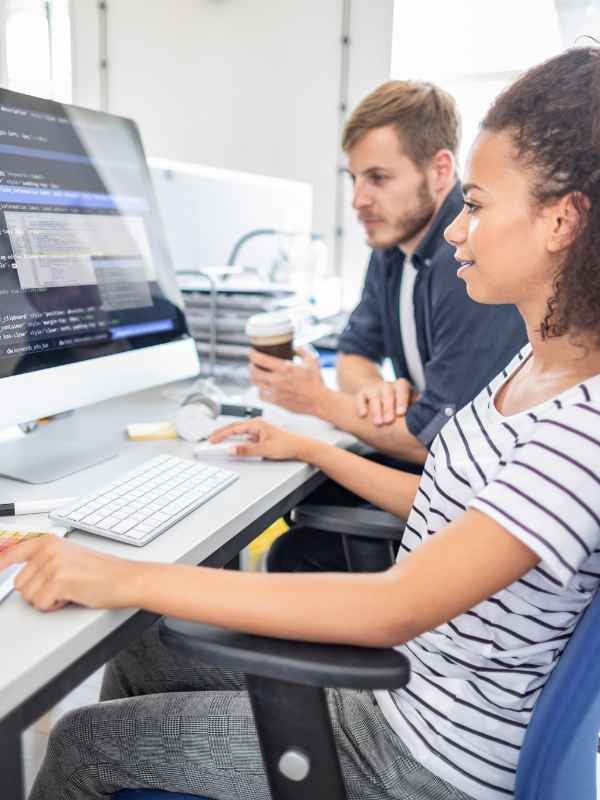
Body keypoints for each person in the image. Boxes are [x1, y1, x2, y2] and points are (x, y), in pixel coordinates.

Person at [5, 45, 600, 800]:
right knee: (146, 652)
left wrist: (123, 573)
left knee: (87, 743)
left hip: (421, 758)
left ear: (560, 221)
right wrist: (303, 446)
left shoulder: (580, 429)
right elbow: (458, 520)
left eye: (477, 207)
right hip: (412, 689)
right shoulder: (538, 366)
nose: (457, 231)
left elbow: (395, 605)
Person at [253, 80, 526, 573]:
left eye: (378, 177)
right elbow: (355, 352)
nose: (358, 199)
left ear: (441, 170)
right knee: (303, 508)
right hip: (432, 471)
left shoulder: (467, 266)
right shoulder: (390, 249)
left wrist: (317, 401)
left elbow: (429, 440)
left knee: (295, 550)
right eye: (354, 178)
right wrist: (376, 392)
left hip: (459, 499)